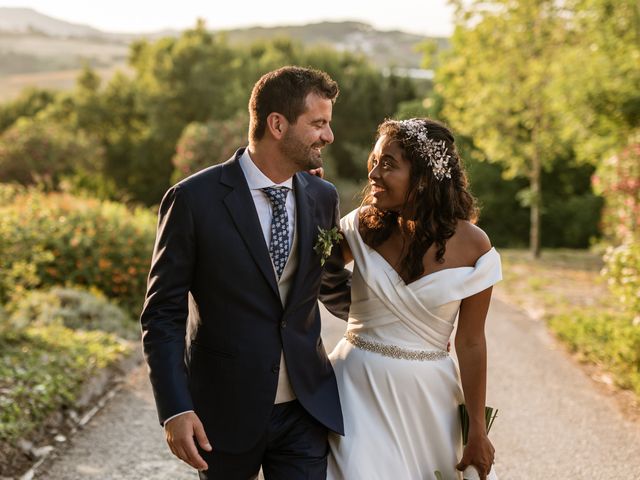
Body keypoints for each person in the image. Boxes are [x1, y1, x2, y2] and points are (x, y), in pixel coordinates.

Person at [140, 66, 351, 480]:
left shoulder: (322, 196)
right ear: (277, 124)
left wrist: (401, 322)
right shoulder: (192, 200)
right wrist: (175, 408)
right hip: (222, 411)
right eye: (319, 124)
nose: (328, 136)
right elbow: (162, 313)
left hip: (305, 409)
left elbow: (328, 284)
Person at [327, 118, 501, 480]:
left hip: (427, 400)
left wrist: (477, 431)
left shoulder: (475, 246)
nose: (374, 173)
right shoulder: (359, 226)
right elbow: (313, 274)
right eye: (373, 161)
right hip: (352, 389)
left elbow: (471, 343)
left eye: (388, 164)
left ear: (424, 178)